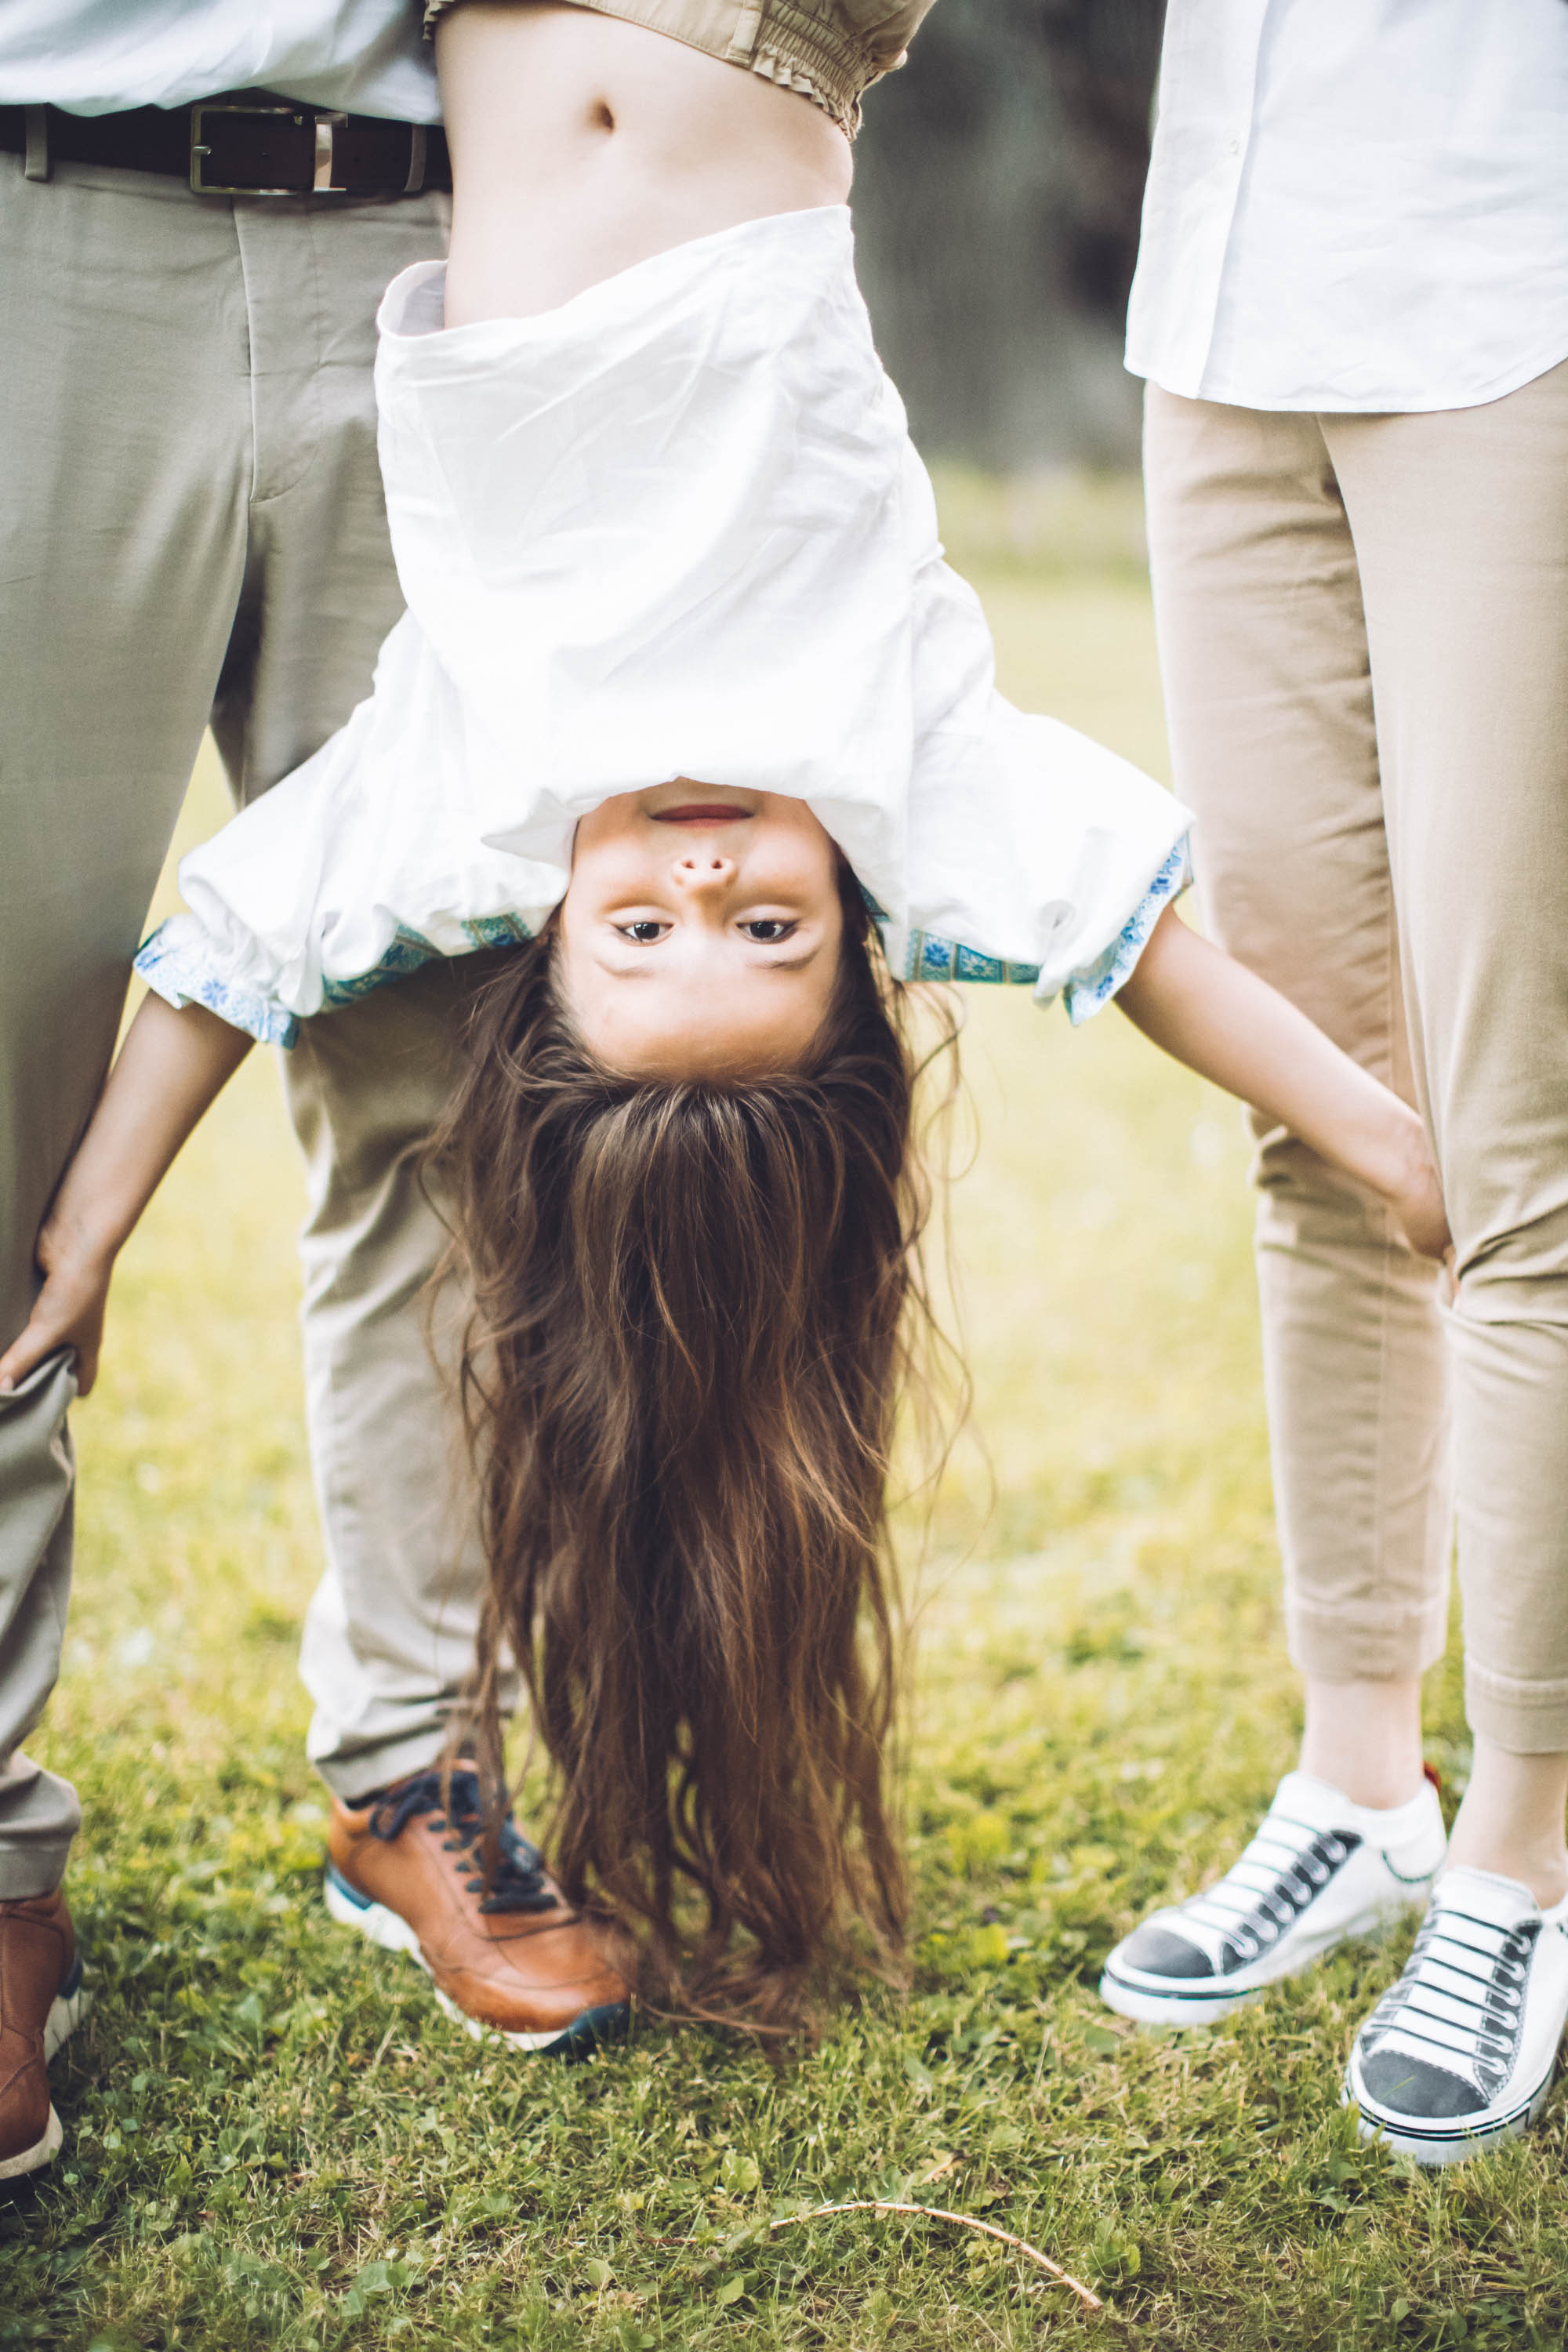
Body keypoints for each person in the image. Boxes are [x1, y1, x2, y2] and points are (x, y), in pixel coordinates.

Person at [2, 0, 1451, 2085]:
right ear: (860, 951)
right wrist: (1394, 1149)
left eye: (647, 933)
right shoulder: (899, 763)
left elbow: (229, 952)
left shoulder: (482, 777)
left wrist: (94, 1223)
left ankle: (367, 1791)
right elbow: (1150, 952)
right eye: (763, 932)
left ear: (550, 954)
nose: (700, 874)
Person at [0, 0, 937, 2182]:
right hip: (43, 203)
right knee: (10, 1109)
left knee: (445, 1087)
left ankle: (413, 1765)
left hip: (432, 233)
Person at [1098, 0, 1568, 2169]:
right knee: (1319, 1116)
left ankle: (1524, 1861)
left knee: (1525, 1144)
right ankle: (1363, 1786)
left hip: (1512, 291)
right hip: (1221, 301)